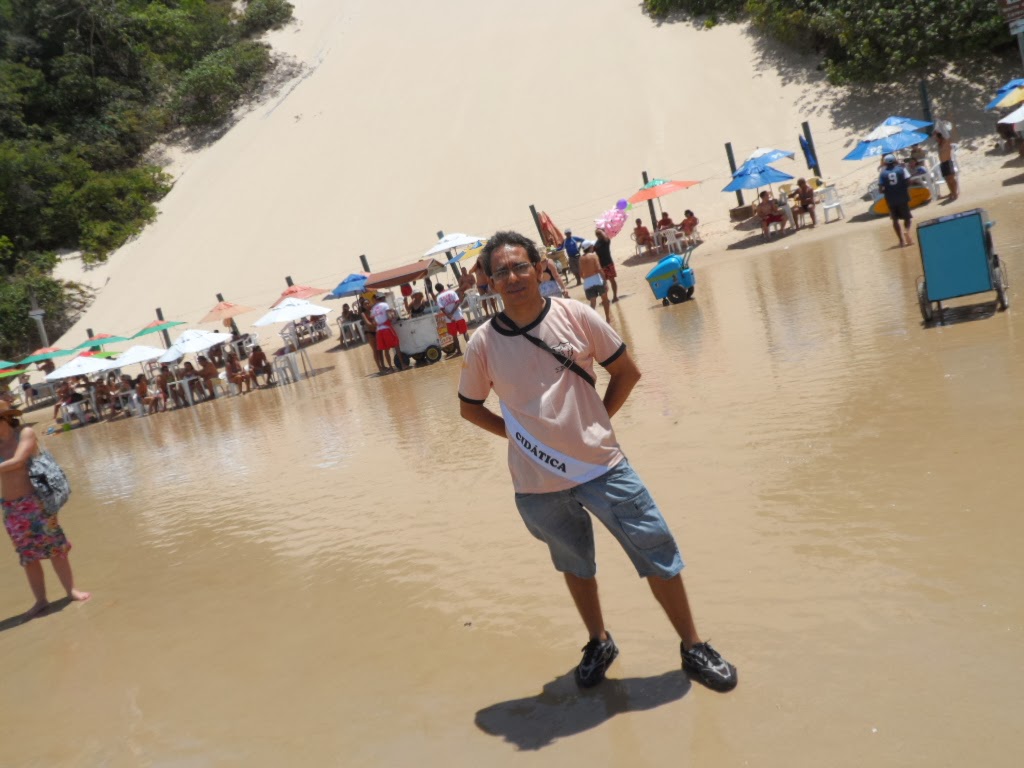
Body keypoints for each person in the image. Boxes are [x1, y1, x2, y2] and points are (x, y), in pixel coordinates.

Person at [458, 231, 737, 692]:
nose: (513, 277)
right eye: (501, 271)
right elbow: (470, 408)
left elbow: (626, 371)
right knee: (574, 564)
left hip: (604, 467)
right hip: (537, 484)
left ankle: (693, 645)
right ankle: (599, 641)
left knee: (657, 549)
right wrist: (519, 437)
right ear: (488, 280)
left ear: (539, 268)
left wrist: (597, 422)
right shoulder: (483, 343)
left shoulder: (576, 315)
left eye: (521, 266)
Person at [0, 405, 90, 619]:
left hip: (37, 502)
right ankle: (40, 600)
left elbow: (19, 461)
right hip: (11, 507)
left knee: (56, 549)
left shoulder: (25, 433)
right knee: (28, 556)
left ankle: (71, 591)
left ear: (4, 418)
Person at [879, 153, 914, 247]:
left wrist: (888, 190)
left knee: (895, 220)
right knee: (907, 218)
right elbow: (909, 181)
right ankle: (906, 231)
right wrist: (903, 187)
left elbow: (880, 190)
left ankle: (901, 241)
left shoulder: (883, 174)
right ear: (894, 161)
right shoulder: (901, 169)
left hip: (891, 199)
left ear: (885, 163)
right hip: (903, 196)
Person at [435, 283, 470, 358]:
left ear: (437, 290)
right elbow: (457, 302)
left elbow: (442, 309)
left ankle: (459, 351)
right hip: (459, 316)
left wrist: (450, 316)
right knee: (464, 332)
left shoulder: (438, 297)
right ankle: (471, 348)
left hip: (449, 320)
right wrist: (452, 312)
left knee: (454, 336)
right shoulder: (452, 292)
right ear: (443, 287)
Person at [580, 241, 611, 323]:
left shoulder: (581, 258)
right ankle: (608, 319)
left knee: (592, 303)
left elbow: (581, 274)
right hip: (597, 280)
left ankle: (592, 322)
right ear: (590, 247)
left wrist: (587, 279)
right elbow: (599, 269)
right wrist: (605, 281)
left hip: (587, 283)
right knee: (605, 300)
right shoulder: (594, 256)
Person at [370, 293, 400, 371]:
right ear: (383, 298)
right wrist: (394, 314)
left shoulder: (373, 309)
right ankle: (402, 364)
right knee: (396, 345)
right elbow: (390, 317)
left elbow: (373, 322)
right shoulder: (385, 305)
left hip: (379, 331)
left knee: (386, 349)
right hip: (386, 328)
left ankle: (391, 368)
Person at [359, 298, 386, 374]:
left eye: (368, 303)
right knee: (375, 350)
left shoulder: (373, 311)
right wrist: (375, 324)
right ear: (363, 306)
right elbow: (368, 324)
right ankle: (379, 367)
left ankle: (383, 365)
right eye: (365, 304)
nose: (367, 305)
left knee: (380, 349)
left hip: (377, 331)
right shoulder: (363, 314)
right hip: (369, 333)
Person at [594, 228, 618, 303]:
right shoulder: (597, 242)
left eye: (599, 233)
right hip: (601, 265)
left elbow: (605, 238)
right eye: (597, 234)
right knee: (603, 282)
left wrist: (601, 231)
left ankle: (615, 296)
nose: (598, 235)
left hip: (608, 263)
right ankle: (605, 299)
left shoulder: (606, 240)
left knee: (612, 280)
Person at [934, 128, 959, 201]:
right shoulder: (939, 145)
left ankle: (955, 193)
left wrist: (940, 130)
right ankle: (952, 192)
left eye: (936, 138)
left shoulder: (946, 142)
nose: (935, 139)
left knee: (951, 178)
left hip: (948, 162)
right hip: (942, 163)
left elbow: (947, 136)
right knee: (947, 180)